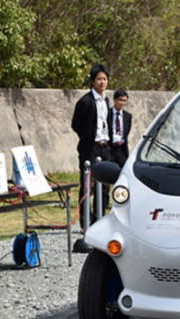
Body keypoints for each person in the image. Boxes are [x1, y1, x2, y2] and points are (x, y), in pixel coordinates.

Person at [71, 63, 112, 228]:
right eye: (99, 79)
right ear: (93, 81)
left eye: (104, 79)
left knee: (104, 185)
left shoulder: (106, 100)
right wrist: (88, 137)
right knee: (88, 185)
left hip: (105, 146)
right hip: (90, 148)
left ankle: (100, 219)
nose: (102, 82)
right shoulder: (85, 101)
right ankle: (85, 222)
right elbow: (76, 124)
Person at [107, 89, 132, 168]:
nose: (122, 103)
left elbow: (126, 132)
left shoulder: (127, 116)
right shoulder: (107, 113)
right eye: (120, 100)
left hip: (122, 149)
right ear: (114, 100)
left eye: (124, 101)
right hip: (110, 148)